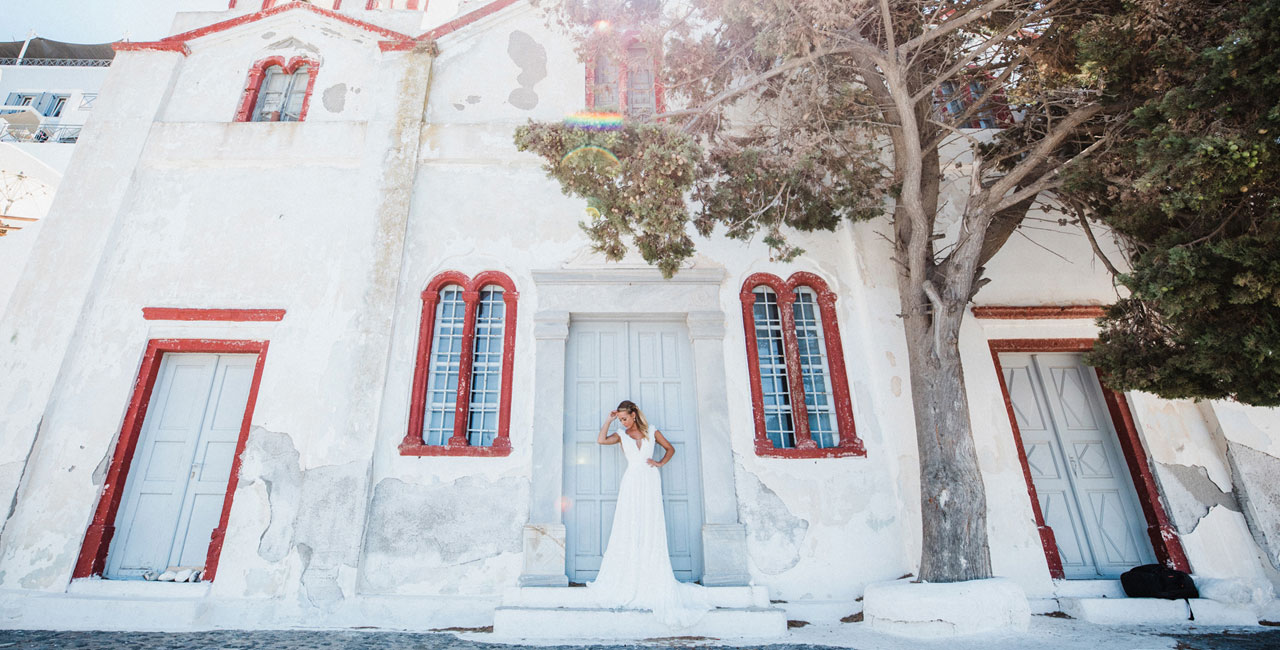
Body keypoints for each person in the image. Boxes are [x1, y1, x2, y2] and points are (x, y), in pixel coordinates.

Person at [587, 400, 712, 628]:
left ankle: (651, 576)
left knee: (650, 525)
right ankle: (630, 574)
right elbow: (600, 440)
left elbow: (670, 449)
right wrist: (609, 420)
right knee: (630, 525)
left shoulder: (651, 431)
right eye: (621, 419)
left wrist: (660, 463)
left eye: (625, 418)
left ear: (634, 415)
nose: (623, 422)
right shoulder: (621, 435)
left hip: (650, 481)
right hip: (632, 482)